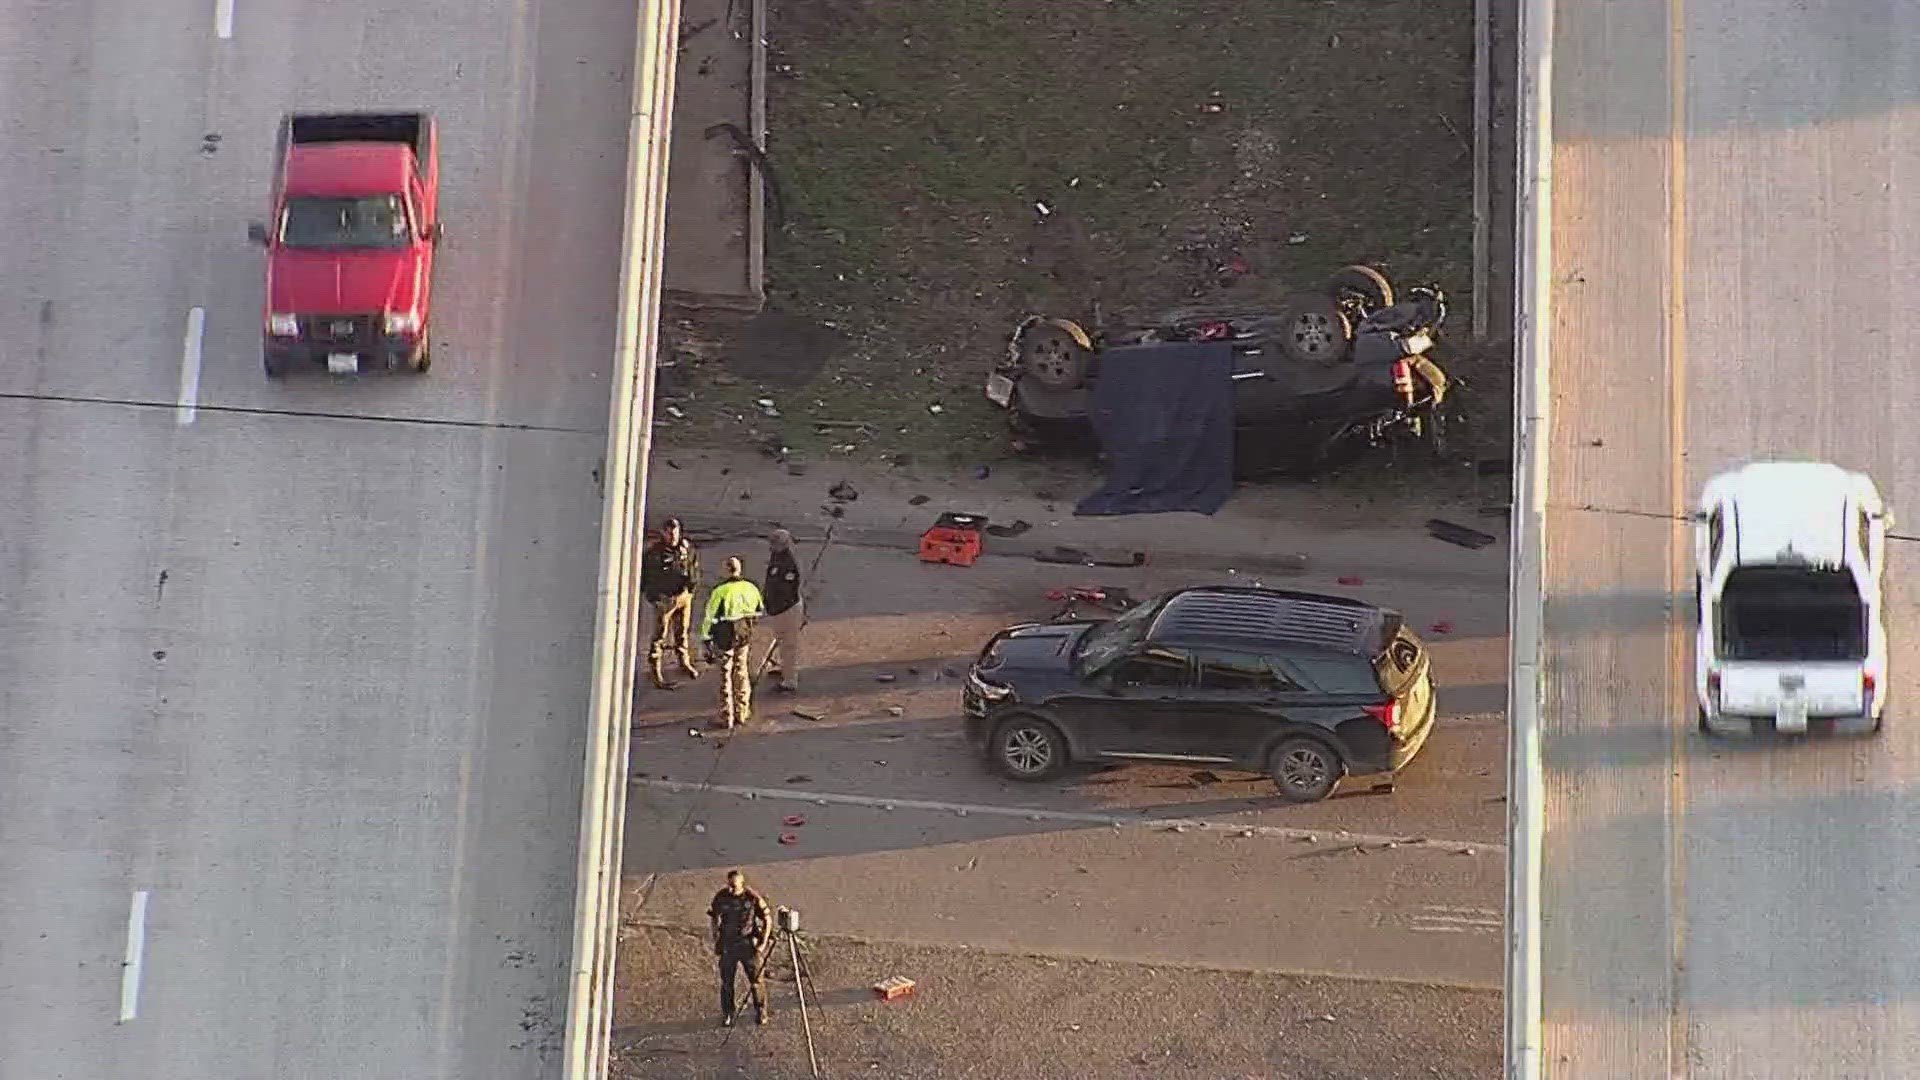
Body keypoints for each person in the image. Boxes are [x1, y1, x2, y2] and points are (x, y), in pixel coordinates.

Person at [700, 556, 765, 729]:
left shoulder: (721, 591)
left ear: (727, 570)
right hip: (744, 634)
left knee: (725, 675)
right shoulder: (751, 588)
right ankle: (742, 711)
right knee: (741, 670)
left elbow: (710, 617)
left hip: (725, 637)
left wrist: (706, 639)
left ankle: (726, 715)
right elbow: (759, 610)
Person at [640, 517, 702, 690]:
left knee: (682, 632)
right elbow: (645, 578)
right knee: (659, 637)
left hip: (683, 596)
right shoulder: (655, 554)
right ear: (663, 533)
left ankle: (684, 662)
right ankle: (656, 672)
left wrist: (691, 588)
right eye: (669, 533)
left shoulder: (686, 548)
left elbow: (694, 567)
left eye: (675, 532)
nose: (673, 536)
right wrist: (655, 598)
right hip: (665, 599)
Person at [707, 869, 772, 1026]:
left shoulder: (752, 898)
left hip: (747, 944)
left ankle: (761, 1011)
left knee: (756, 981)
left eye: (734, 886)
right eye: (729, 885)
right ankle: (728, 1012)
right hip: (728, 944)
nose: (731, 889)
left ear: (742, 884)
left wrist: (763, 942)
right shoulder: (721, 897)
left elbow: (767, 919)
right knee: (727, 982)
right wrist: (715, 937)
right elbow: (714, 917)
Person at [756, 529, 806, 693]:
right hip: (778, 610)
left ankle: (790, 680)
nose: (770, 547)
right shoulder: (777, 557)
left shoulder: (788, 564)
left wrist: (776, 606)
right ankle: (784, 669)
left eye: (773, 544)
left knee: (788, 645)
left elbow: (787, 591)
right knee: (781, 640)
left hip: (787, 609)